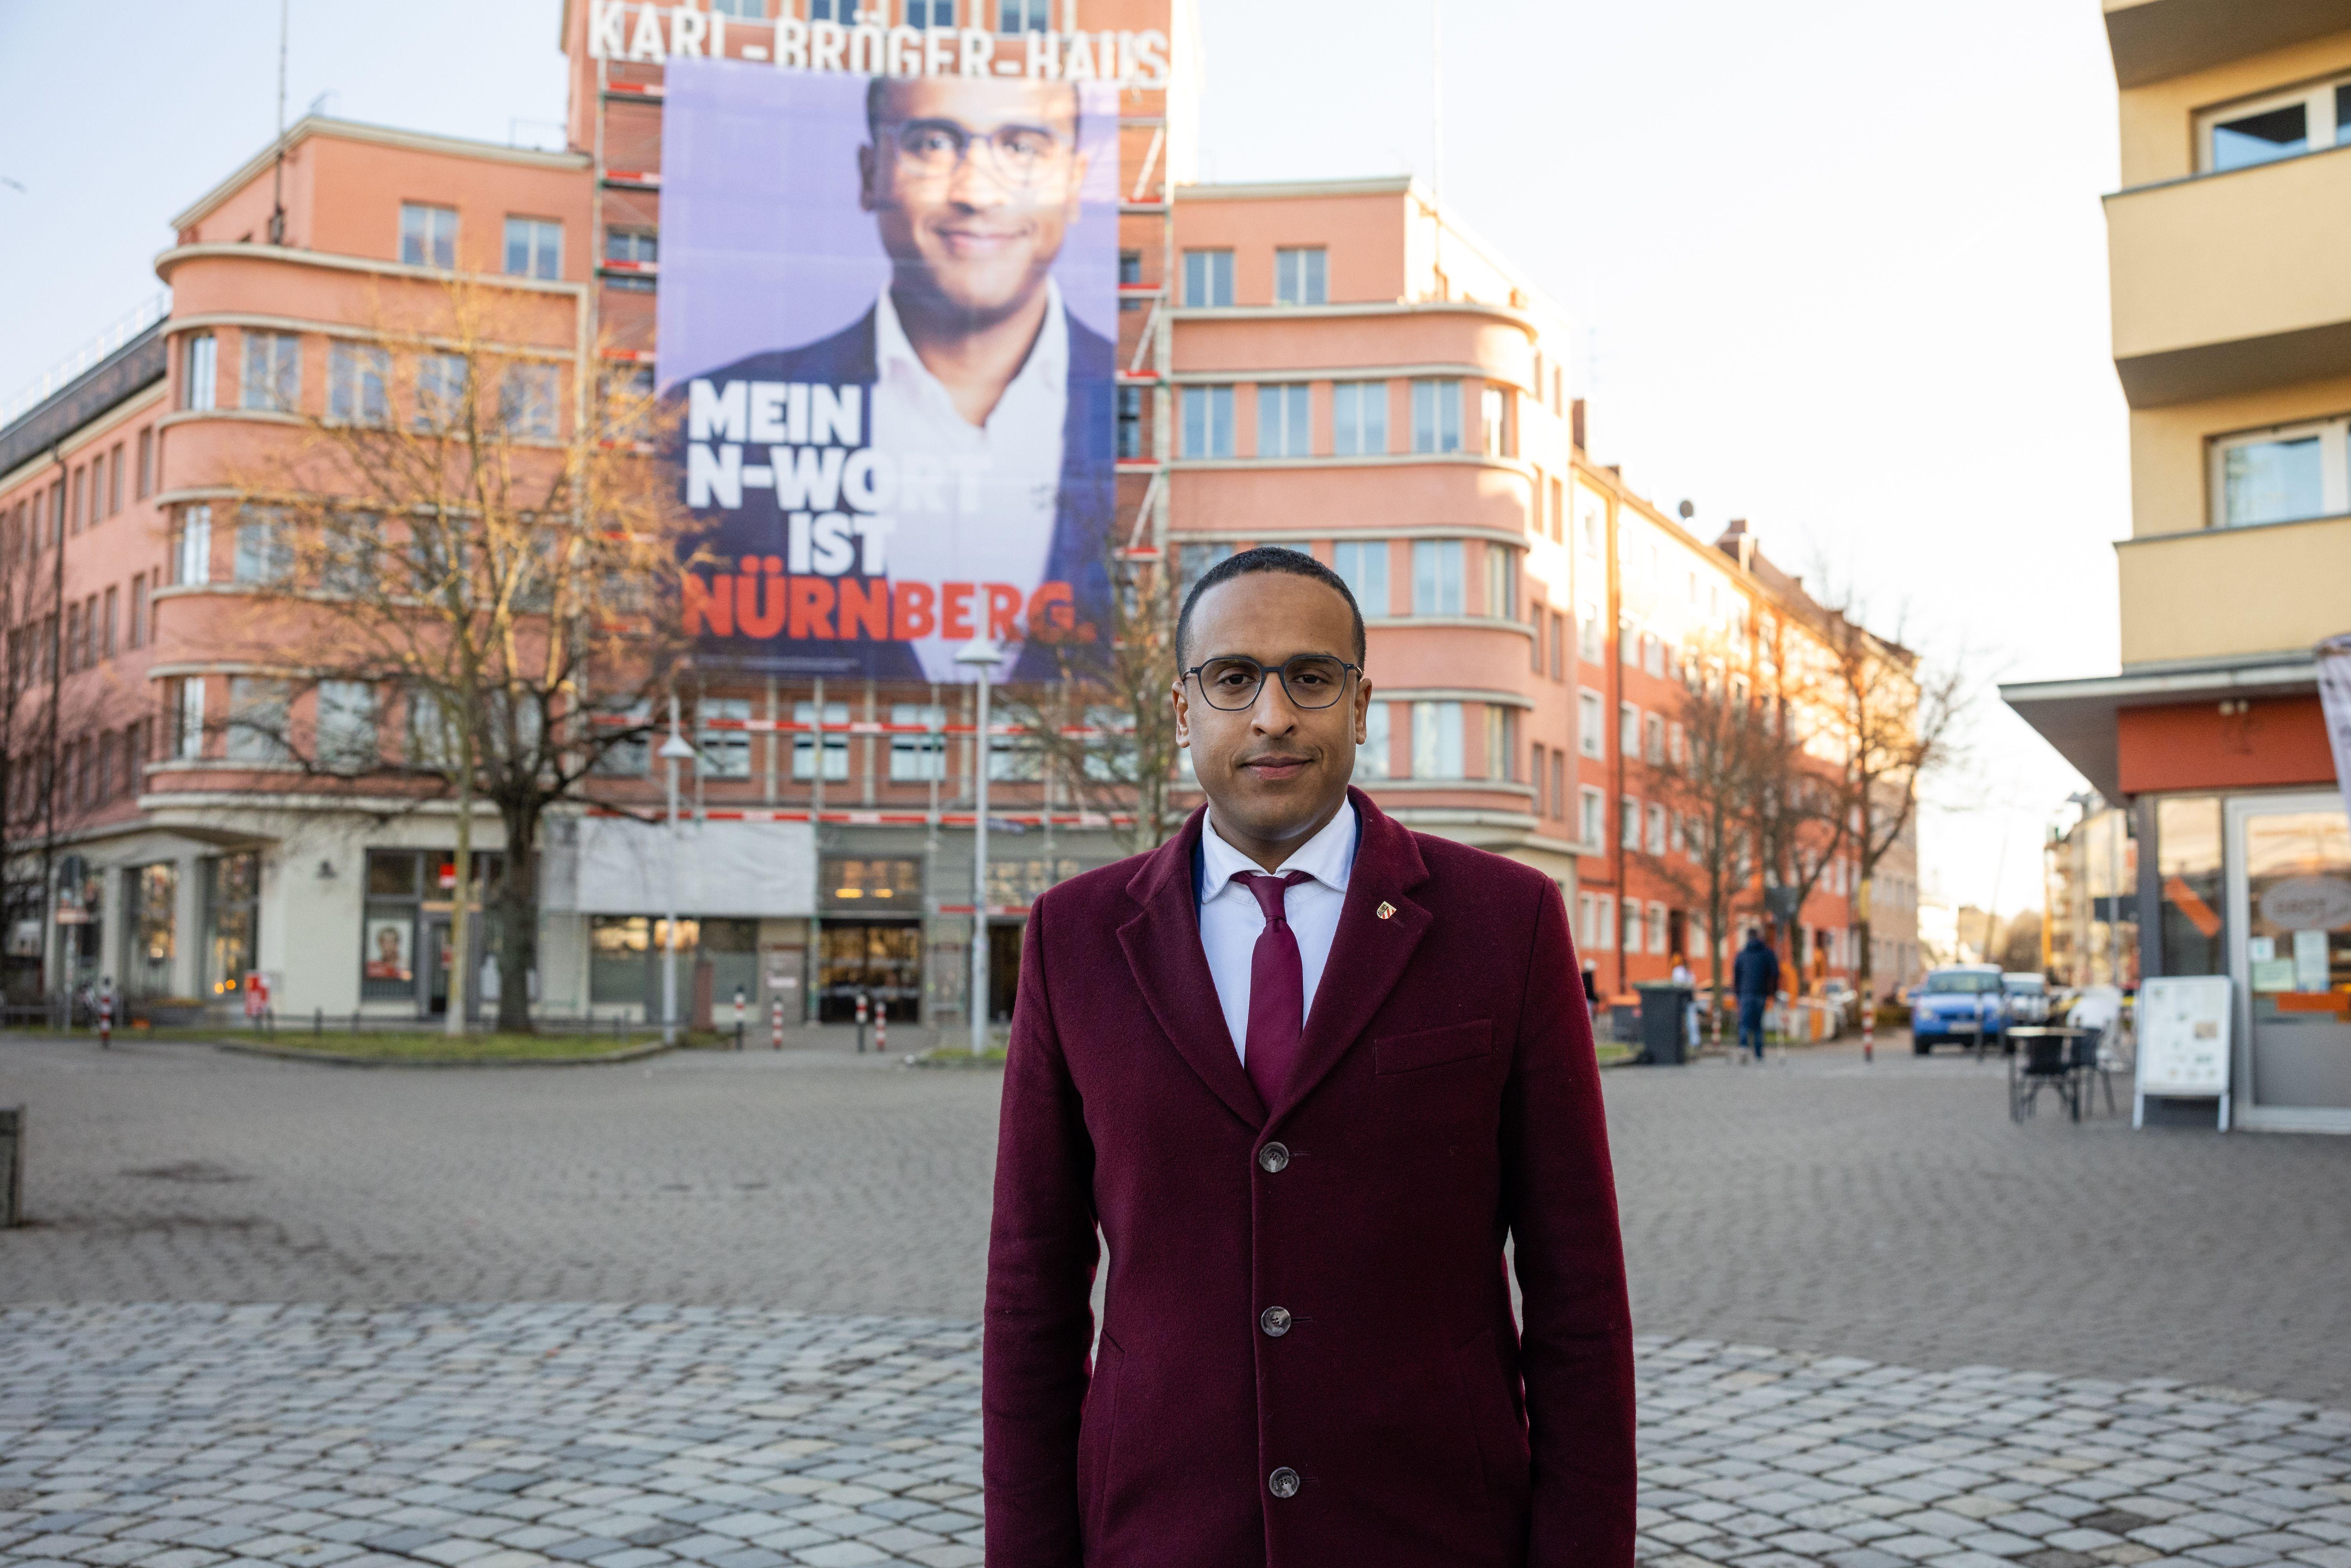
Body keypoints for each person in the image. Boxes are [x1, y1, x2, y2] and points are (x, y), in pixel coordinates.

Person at [984, 546, 1635, 1567]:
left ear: (1360, 703)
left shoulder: (1505, 924)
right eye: (1233, 678)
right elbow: (1032, 1291)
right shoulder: (1074, 939)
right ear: (1182, 709)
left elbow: (1577, 1290)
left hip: (1433, 1532)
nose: (1273, 715)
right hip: (1161, 1532)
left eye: (1311, 677)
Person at [681, 74, 1113, 684]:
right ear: (870, 175)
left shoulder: (1139, 416)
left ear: (1074, 182)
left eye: (1022, 148)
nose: (977, 193)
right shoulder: (708, 415)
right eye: (933, 144)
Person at [1733, 929, 1781, 1062]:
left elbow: (1736, 974)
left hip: (1745, 992)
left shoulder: (1742, 954)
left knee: (1744, 1022)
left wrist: (1737, 992)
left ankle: (1744, 1047)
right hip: (1761, 992)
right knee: (1758, 1023)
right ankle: (1758, 1052)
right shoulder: (1767, 953)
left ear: (1748, 938)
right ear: (1759, 937)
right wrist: (1774, 991)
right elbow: (1775, 973)